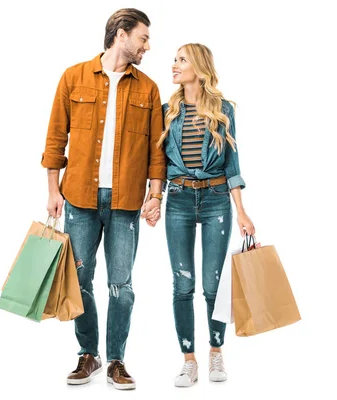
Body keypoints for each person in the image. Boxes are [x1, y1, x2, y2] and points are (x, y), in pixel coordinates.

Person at [40, 8, 166, 391]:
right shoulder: (73, 77)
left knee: (121, 285)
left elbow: (157, 153)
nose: (148, 45)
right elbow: (55, 138)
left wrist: (155, 194)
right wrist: (52, 189)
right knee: (79, 279)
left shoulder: (148, 88)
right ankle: (88, 353)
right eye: (143, 37)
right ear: (121, 34)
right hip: (79, 198)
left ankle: (116, 360)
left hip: (126, 201)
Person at [154, 43, 255, 387]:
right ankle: (188, 360)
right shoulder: (167, 109)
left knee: (213, 285)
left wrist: (241, 211)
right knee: (183, 284)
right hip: (179, 199)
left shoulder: (223, 109)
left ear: (198, 67)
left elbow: (232, 165)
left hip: (216, 201)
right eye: (175, 60)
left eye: (181, 60)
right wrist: (154, 197)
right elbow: (159, 163)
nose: (174, 65)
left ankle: (215, 351)